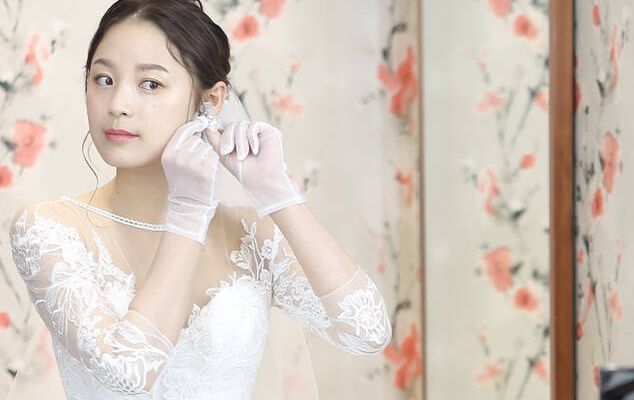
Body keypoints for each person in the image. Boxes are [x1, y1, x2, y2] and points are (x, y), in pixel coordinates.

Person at [7, 0, 392, 398]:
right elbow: (130, 371)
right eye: (104, 79)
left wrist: (278, 194)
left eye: (150, 84)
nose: (118, 105)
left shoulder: (249, 234)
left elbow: (367, 332)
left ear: (210, 101)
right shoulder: (48, 229)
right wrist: (187, 212)